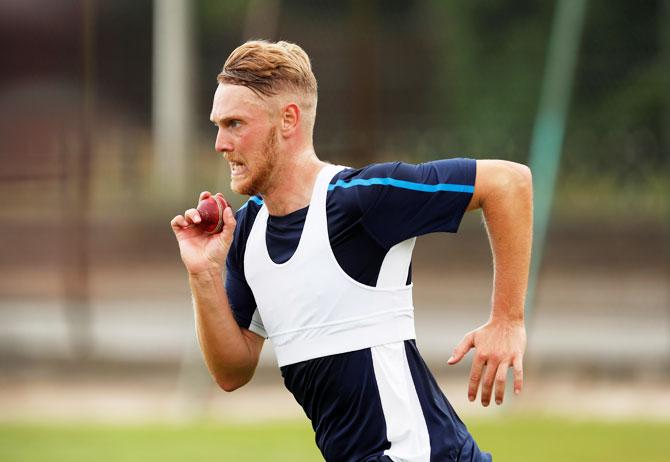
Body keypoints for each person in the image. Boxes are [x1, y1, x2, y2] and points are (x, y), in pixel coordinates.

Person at [171, 40, 532, 462]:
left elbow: (509, 183)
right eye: (217, 125)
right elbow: (232, 371)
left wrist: (507, 320)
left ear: (288, 119)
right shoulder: (246, 231)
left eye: (234, 124)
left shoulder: (360, 199)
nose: (220, 142)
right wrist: (203, 273)